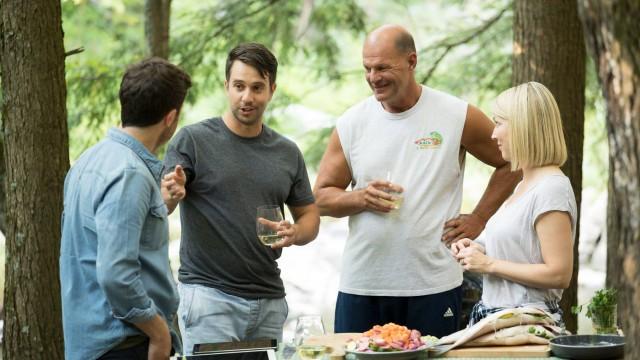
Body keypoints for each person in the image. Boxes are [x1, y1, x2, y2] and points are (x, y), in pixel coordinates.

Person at [313, 24, 520, 337]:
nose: (373, 77)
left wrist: (479, 217)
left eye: (383, 67)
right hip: (363, 283)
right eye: (367, 68)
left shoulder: (455, 114)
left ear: (412, 61)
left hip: (433, 283)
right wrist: (360, 198)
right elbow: (321, 197)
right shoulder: (352, 123)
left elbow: (512, 162)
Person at [162, 42, 320, 354]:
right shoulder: (193, 140)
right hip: (210, 301)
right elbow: (162, 204)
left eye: (257, 88)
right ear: (226, 87)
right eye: (239, 86)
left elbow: (310, 216)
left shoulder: (287, 152)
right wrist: (171, 194)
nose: (247, 97)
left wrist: (296, 232)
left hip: (270, 303)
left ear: (272, 90)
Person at [60, 58, 192, 360]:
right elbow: (116, 274)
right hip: (123, 344)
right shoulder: (129, 174)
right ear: (170, 118)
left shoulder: (90, 160)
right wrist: (159, 334)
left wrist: (161, 202)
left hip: (95, 343)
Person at [451, 82, 576, 326]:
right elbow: (524, 251)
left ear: (523, 127)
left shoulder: (552, 189)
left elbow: (559, 274)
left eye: (499, 123)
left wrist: (489, 264)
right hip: (499, 318)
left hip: (526, 324)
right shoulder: (524, 184)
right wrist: (478, 249)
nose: (493, 134)